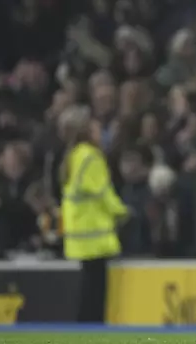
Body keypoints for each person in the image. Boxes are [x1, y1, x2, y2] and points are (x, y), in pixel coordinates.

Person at [58, 105, 129, 323]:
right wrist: (123, 212)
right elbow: (103, 193)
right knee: (96, 290)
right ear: (86, 130)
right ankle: (92, 328)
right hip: (95, 234)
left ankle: (84, 328)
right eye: (96, 125)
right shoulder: (91, 157)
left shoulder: (73, 157)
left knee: (88, 286)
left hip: (80, 234)